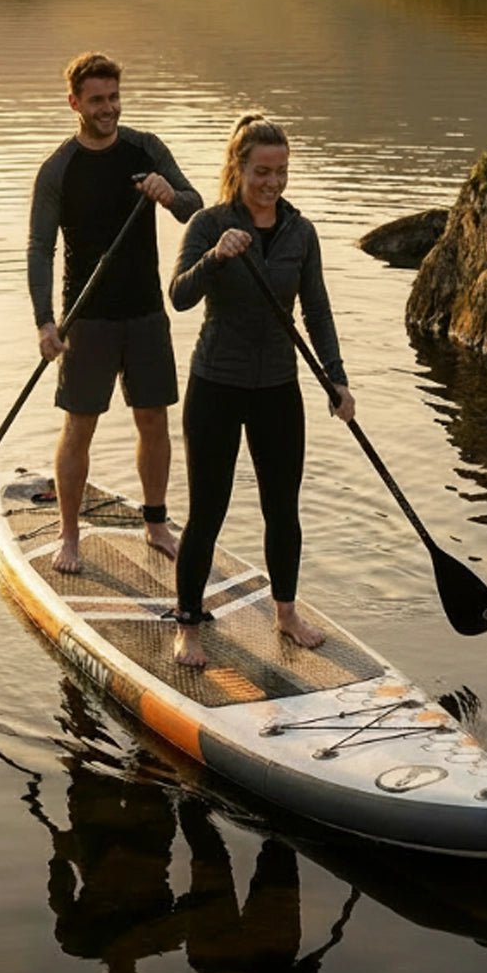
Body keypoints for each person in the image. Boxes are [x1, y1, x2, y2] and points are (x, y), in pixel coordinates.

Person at [168, 114, 354, 669]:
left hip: (278, 387)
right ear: (238, 168)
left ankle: (286, 613)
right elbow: (178, 295)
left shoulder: (301, 232)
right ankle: (188, 625)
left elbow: (316, 311)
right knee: (208, 511)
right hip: (216, 385)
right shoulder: (208, 223)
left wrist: (336, 379)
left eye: (281, 171)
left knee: (283, 509)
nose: (272, 183)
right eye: (261, 172)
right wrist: (216, 257)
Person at [28, 51, 201, 573]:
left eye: (114, 98)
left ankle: (155, 523)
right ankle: (69, 536)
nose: (108, 109)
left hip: (146, 312)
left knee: (154, 420)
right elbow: (40, 248)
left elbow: (198, 210)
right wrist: (45, 321)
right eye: (97, 100)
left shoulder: (145, 149)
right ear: (75, 103)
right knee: (80, 426)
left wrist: (168, 194)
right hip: (87, 319)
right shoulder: (59, 168)